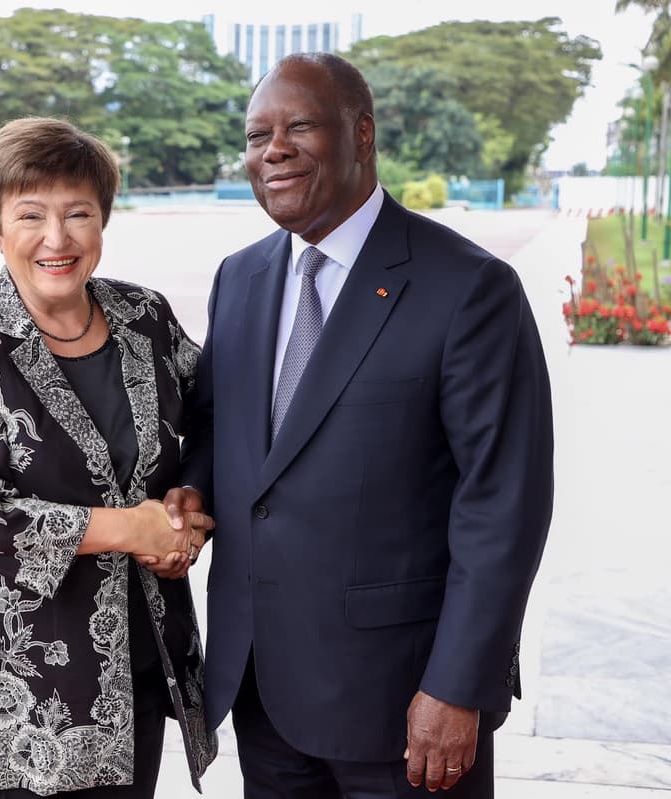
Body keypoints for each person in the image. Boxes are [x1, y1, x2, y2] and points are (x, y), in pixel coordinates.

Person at [168, 53, 555, 797]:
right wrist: (191, 491)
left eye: (298, 127)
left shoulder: (470, 288)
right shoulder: (240, 278)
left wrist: (458, 685)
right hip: (263, 689)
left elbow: (504, 503)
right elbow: (224, 431)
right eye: (256, 135)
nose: (271, 150)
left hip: (404, 705)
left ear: (362, 134)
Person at [0, 116, 219, 798]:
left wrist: (184, 506)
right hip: (3, 682)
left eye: (78, 213)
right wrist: (132, 529)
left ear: (103, 219)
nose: (57, 238)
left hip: (128, 665)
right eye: (31, 215)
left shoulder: (146, 317)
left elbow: (216, 418)